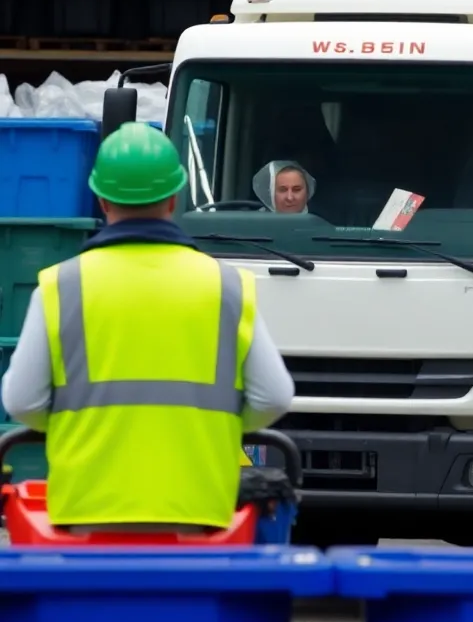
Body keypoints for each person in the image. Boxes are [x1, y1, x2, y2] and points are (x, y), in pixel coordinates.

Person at [0, 122, 296, 534]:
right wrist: (212, 426)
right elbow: (275, 396)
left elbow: (22, 402)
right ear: (174, 199)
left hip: (87, 512)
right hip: (200, 511)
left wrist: (82, 424)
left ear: (101, 201)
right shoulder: (227, 286)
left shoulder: (60, 286)